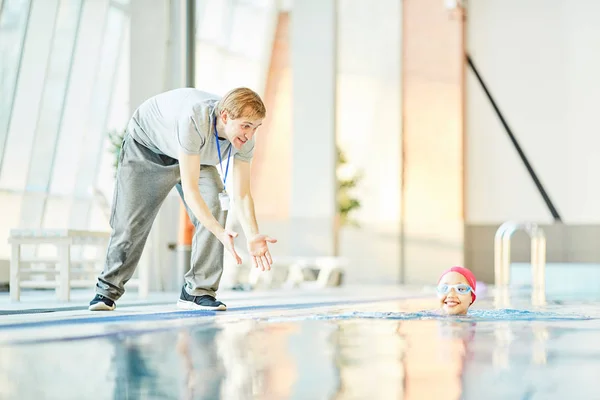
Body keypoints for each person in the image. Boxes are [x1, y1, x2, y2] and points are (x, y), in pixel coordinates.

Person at [89, 87, 277, 311]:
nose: (250, 134)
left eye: (256, 127)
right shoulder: (194, 118)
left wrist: (253, 234)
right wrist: (219, 232)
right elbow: (191, 191)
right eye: (246, 126)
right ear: (225, 116)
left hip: (195, 152)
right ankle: (106, 291)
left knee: (214, 205)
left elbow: (243, 193)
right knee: (130, 223)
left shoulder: (245, 140)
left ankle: (197, 291)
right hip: (148, 147)